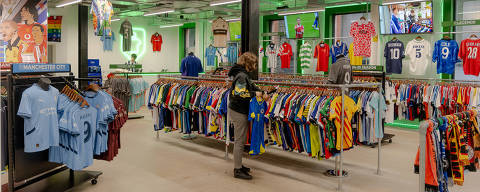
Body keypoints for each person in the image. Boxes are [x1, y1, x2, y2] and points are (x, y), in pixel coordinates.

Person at [228, 52, 267, 180]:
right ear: (249, 64)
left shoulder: (243, 74)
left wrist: (261, 92)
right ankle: (237, 169)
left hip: (240, 109)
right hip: (238, 111)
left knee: (241, 140)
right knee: (240, 141)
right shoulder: (241, 75)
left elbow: (249, 88)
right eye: (254, 63)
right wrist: (256, 94)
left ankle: (239, 164)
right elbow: (240, 94)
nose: (255, 66)